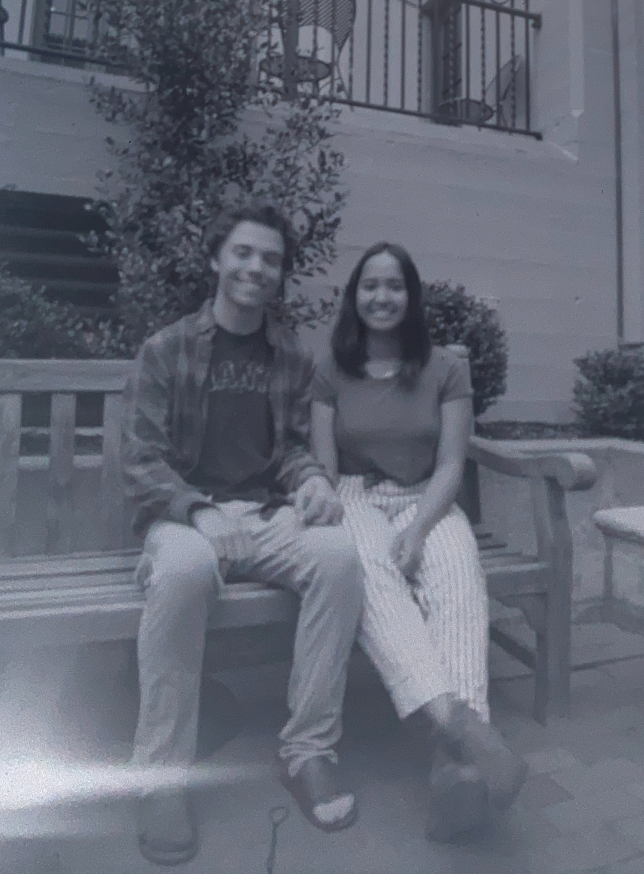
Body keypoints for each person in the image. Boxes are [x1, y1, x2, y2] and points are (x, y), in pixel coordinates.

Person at [121, 203, 364, 866]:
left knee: (339, 557)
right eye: (244, 253)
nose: (257, 268)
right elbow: (141, 459)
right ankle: (161, 778)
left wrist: (312, 480)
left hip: (262, 516)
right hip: (185, 519)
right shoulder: (166, 349)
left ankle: (309, 752)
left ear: (281, 273)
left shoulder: (289, 354)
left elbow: (291, 449)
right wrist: (199, 512)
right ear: (216, 260)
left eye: (271, 259)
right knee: (183, 571)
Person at [310, 243, 528, 842]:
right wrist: (342, 512)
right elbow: (325, 468)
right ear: (355, 296)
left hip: (426, 497)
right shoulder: (331, 367)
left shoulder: (445, 368)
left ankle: (457, 769)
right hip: (354, 496)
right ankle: (466, 733)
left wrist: (417, 528)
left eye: (394, 286)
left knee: (458, 573)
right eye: (370, 286)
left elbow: (452, 462)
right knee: (370, 576)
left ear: (411, 296)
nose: (382, 297)